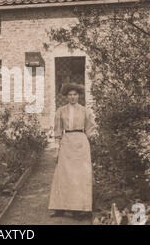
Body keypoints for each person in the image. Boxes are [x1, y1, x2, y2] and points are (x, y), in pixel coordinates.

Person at [48, 83, 97, 219]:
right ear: (66, 96)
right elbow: (58, 131)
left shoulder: (85, 111)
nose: (73, 97)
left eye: (75, 94)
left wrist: (90, 142)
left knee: (80, 176)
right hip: (66, 142)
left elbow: (90, 129)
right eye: (70, 95)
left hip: (81, 143)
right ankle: (60, 208)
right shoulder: (60, 111)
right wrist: (57, 149)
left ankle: (79, 209)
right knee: (63, 175)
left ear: (79, 95)